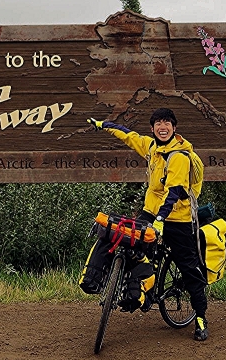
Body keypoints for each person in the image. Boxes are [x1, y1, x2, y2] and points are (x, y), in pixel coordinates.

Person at [86, 107, 209, 342]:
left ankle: (201, 318)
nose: (163, 127)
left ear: (174, 128)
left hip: (177, 218)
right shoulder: (152, 147)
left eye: (167, 123)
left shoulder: (179, 156)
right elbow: (129, 135)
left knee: (188, 267)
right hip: (151, 211)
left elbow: (174, 192)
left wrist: (161, 221)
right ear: (152, 129)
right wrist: (103, 125)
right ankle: (137, 289)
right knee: (129, 242)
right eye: (158, 124)